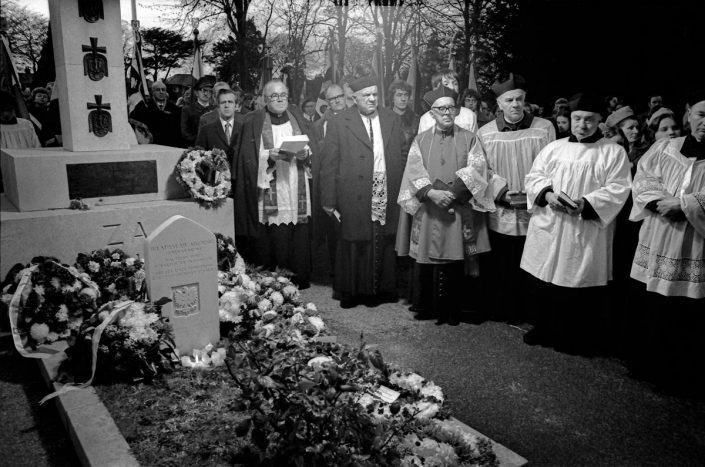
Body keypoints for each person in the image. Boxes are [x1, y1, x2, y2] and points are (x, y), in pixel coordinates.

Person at [520, 93, 631, 353]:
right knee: (545, 273)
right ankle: (543, 327)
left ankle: (573, 336)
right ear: (570, 119)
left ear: (600, 121)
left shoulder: (612, 152)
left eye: (589, 120)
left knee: (576, 276)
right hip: (550, 221)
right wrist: (546, 194)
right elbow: (534, 176)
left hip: (584, 226)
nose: (582, 124)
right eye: (577, 118)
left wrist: (586, 204)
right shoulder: (555, 148)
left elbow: (619, 188)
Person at [396, 86, 497, 324]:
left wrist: (451, 194)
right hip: (430, 208)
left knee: (456, 253)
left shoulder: (470, 138)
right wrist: (431, 193)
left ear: (456, 110)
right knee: (429, 252)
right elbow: (413, 169)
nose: (446, 113)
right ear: (431, 113)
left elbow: (478, 168)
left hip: (459, 208)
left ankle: (455, 309)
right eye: (441, 108)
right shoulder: (420, 140)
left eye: (451, 107)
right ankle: (427, 306)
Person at [626, 91, 705, 394]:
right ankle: (644, 362)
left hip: (693, 242)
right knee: (651, 302)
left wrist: (684, 205)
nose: (704, 122)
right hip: (658, 233)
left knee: (683, 309)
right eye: (700, 114)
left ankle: (678, 375)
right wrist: (661, 201)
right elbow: (643, 178)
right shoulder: (665, 147)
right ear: (688, 112)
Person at [320, 74, 405, 308]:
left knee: (384, 236)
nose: (371, 99)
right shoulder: (340, 121)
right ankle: (352, 291)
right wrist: (328, 199)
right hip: (353, 189)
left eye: (375, 94)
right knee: (355, 238)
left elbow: (403, 152)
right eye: (366, 95)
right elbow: (329, 162)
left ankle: (384, 288)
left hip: (385, 186)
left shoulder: (391, 119)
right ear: (354, 98)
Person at [477, 74, 556, 324]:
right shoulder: (485, 133)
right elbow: (482, 170)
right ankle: (503, 309)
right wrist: (501, 192)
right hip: (502, 207)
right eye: (509, 100)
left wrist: (536, 192)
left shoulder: (543, 128)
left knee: (532, 261)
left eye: (519, 99)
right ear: (499, 104)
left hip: (535, 207)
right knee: (503, 262)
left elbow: (554, 165)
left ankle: (531, 312)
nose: (515, 104)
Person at [234, 80, 314, 288]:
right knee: (275, 230)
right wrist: (269, 156)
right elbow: (247, 157)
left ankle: (299, 276)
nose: (279, 99)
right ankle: (276, 278)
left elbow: (311, 146)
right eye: (274, 96)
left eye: (283, 95)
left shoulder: (297, 117)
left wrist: (306, 154)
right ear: (264, 99)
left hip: (297, 182)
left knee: (299, 227)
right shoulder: (253, 121)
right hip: (272, 183)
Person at [310, 83, 348, 278]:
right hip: (330, 183)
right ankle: (336, 272)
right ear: (327, 102)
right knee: (333, 231)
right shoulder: (319, 126)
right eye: (333, 98)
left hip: (351, 183)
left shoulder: (356, 118)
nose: (338, 100)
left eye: (340, 96)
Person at [195, 88, 243, 168]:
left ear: (236, 106)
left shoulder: (244, 128)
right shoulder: (206, 130)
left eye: (230, 102)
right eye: (223, 102)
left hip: (239, 178)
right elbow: (198, 158)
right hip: (214, 178)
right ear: (218, 106)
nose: (226, 105)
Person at [418, 69, 477, 133]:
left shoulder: (469, 115)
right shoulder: (426, 119)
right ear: (436, 89)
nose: (452, 87)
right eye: (446, 84)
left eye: (455, 84)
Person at [129, 80, 183, 147]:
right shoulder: (145, 106)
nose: (161, 92)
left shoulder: (174, 108)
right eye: (158, 90)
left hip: (171, 144)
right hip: (152, 145)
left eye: (163, 90)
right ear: (152, 92)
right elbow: (132, 118)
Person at [388, 79, 419, 159]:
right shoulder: (384, 118)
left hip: (409, 163)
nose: (403, 99)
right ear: (392, 98)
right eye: (399, 95)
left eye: (406, 95)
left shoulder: (416, 120)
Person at [181, 75, 215, 146]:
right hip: (194, 147)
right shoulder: (187, 109)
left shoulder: (215, 110)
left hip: (213, 147)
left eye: (210, 91)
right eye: (204, 90)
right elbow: (185, 132)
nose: (206, 93)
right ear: (196, 93)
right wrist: (200, 141)